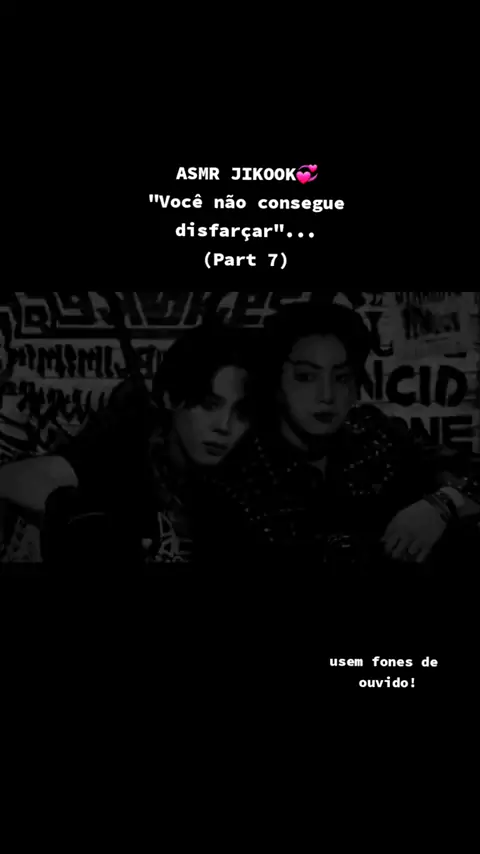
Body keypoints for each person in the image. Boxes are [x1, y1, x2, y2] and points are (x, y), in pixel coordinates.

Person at [208, 302, 480, 573]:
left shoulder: (374, 433)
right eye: (305, 377)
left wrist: (442, 504)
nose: (327, 396)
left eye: (341, 378)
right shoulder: (238, 481)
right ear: (276, 384)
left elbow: (471, 472)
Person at [0, 321, 259, 566]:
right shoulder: (128, 440)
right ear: (171, 397)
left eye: (242, 413)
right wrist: (101, 520)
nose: (224, 426)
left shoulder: (251, 473)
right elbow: (12, 480)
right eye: (209, 405)